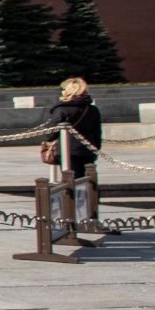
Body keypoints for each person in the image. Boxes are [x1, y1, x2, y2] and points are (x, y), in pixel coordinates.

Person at [42, 77, 102, 235]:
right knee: (88, 183)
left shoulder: (62, 109)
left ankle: (69, 219)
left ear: (68, 91)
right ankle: (89, 217)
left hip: (68, 153)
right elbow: (97, 134)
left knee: (69, 184)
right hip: (87, 152)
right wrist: (94, 149)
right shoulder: (92, 109)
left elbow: (50, 133)